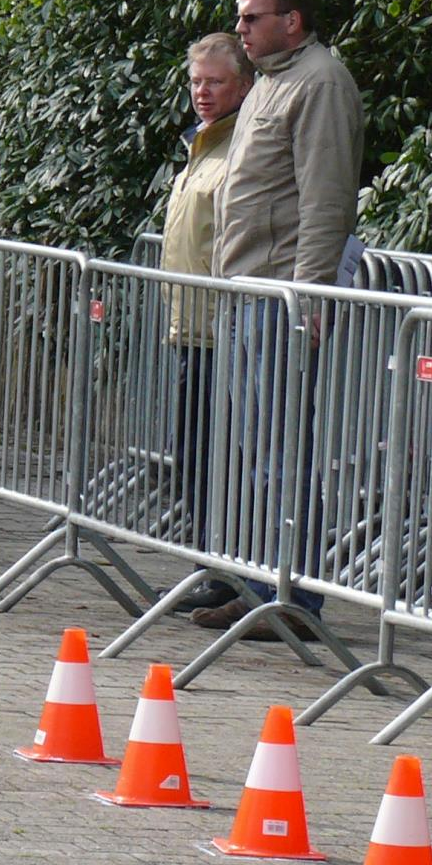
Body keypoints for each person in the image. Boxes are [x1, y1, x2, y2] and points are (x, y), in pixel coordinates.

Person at [198, 0, 363, 639]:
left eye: (251, 17)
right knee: (257, 449)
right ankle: (263, 583)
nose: (241, 29)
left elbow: (325, 199)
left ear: (290, 21)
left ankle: (294, 597)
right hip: (250, 292)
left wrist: (308, 294)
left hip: (281, 298)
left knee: (282, 450)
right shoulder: (272, 82)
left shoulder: (319, 82)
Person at [157, 33, 252, 610]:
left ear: (242, 84)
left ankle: (224, 570)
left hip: (225, 329)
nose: (203, 92)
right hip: (190, 326)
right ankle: (205, 564)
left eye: (215, 81)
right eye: (196, 81)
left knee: (221, 455)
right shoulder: (201, 146)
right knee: (192, 451)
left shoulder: (242, 146)